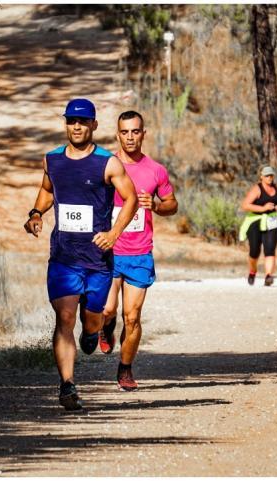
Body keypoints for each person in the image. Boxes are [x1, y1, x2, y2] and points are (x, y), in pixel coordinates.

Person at [24, 98, 138, 411]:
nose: (77, 126)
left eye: (83, 121)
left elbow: (131, 200)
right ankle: (67, 386)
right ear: (66, 124)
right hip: (63, 257)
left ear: (93, 125)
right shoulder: (52, 160)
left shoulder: (107, 163)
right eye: (72, 121)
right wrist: (36, 213)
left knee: (90, 322)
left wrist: (114, 234)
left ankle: (94, 331)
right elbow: (48, 190)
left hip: (97, 262)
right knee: (64, 318)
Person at [99, 111, 177, 391]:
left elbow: (172, 204)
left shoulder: (156, 170)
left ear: (143, 133)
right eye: (124, 132)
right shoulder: (106, 166)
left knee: (132, 317)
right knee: (107, 309)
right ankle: (106, 326)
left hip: (139, 253)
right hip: (109, 251)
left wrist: (156, 206)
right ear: (117, 134)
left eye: (135, 131)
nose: (130, 137)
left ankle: (125, 369)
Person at [238, 166, 277, 286]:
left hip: (272, 221)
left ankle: (268, 276)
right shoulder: (257, 189)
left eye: (271, 175)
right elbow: (245, 205)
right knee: (254, 250)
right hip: (255, 221)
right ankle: (252, 271)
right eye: (267, 176)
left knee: (270, 249)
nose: (269, 178)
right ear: (261, 177)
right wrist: (263, 208)